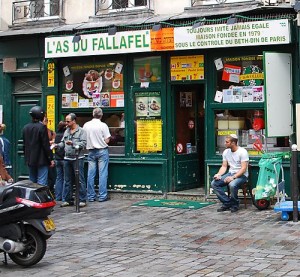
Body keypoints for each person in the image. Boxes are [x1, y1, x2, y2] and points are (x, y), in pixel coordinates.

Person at [211, 134, 249, 213]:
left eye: (227, 142)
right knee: (214, 183)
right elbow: (224, 166)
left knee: (232, 184)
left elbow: (243, 169)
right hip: (230, 173)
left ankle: (235, 204)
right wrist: (219, 174)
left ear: (233, 143)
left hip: (241, 175)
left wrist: (233, 177)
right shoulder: (226, 152)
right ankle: (227, 202)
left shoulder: (242, 152)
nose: (225, 143)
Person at [55, 113, 87, 207]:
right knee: (67, 180)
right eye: (66, 121)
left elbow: (83, 143)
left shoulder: (81, 131)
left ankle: (82, 199)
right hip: (67, 157)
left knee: (80, 179)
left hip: (78, 158)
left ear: (73, 121)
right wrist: (57, 145)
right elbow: (62, 143)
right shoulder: (66, 131)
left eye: (68, 121)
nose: (66, 123)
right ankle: (67, 199)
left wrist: (73, 144)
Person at [83, 107, 111, 202]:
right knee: (102, 174)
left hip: (90, 151)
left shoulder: (86, 125)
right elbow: (107, 140)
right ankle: (102, 196)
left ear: (93, 114)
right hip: (102, 150)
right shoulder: (103, 125)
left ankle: (91, 196)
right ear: (101, 115)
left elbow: (84, 138)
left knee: (90, 174)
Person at [22, 106, 55, 186]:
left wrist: (26, 157)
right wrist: (50, 158)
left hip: (30, 159)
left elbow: (24, 144)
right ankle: (40, 198)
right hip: (41, 159)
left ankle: (32, 198)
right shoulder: (42, 127)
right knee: (42, 182)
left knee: (32, 181)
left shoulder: (25, 127)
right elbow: (45, 144)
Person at [43, 117, 57, 194]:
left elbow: (54, 142)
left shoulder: (51, 132)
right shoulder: (39, 131)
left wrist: (53, 142)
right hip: (41, 156)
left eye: (45, 121)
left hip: (50, 154)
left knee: (51, 176)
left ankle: (50, 192)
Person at [53, 121, 67, 201]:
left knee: (59, 178)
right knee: (66, 178)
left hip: (57, 158)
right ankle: (65, 196)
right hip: (64, 158)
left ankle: (58, 196)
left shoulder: (57, 136)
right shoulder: (65, 136)